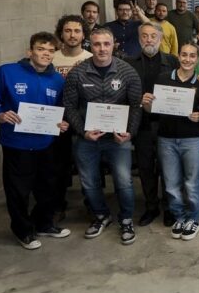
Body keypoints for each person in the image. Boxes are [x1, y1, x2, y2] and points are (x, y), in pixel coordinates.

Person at [0, 32, 71, 249]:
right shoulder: (7, 72)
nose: (46, 54)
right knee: (18, 191)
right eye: (41, 49)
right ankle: (23, 231)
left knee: (48, 188)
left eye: (51, 51)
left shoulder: (57, 80)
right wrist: (0, 115)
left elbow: (59, 110)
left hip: (46, 144)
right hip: (16, 143)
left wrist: (61, 123)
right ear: (29, 51)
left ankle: (44, 224)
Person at [63, 27, 143, 245]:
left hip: (118, 140)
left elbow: (136, 106)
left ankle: (126, 219)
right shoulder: (77, 74)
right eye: (97, 44)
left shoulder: (127, 72)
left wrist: (129, 132)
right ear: (90, 45)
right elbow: (69, 106)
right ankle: (101, 215)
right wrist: (83, 132)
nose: (102, 49)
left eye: (106, 44)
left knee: (124, 181)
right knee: (89, 182)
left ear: (113, 45)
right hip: (87, 139)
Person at [142, 43, 199, 240]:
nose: (188, 59)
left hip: (193, 140)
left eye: (192, 56)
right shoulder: (163, 79)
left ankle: (194, 218)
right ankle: (179, 216)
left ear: (197, 59)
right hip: (166, 139)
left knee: (192, 182)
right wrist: (146, 104)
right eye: (184, 55)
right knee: (171, 183)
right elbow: (152, 111)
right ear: (178, 56)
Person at [124, 22, 180, 227]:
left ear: (160, 38)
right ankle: (151, 207)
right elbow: (124, 92)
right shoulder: (129, 63)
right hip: (142, 124)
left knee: (168, 169)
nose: (149, 40)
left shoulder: (173, 61)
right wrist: (139, 99)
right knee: (146, 168)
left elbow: (183, 84)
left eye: (153, 36)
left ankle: (169, 208)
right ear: (140, 39)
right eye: (145, 36)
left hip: (167, 124)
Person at [51, 15, 93, 219]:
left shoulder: (90, 58)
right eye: (68, 30)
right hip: (56, 120)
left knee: (86, 166)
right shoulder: (52, 57)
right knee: (58, 166)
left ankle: (91, 203)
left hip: (81, 119)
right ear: (61, 33)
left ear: (84, 34)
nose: (72, 35)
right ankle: (57, 204)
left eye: (77, 31)